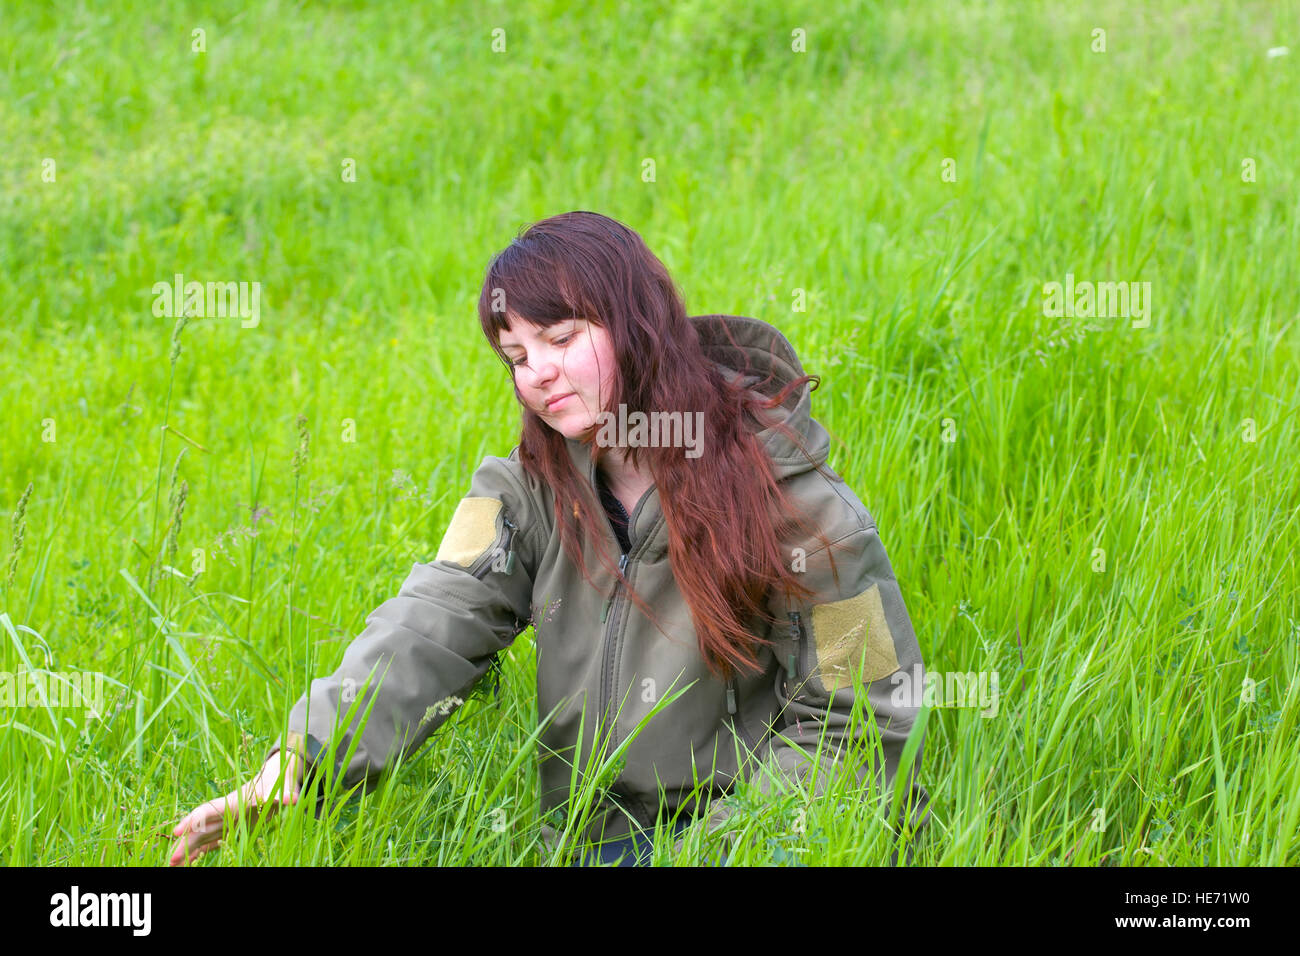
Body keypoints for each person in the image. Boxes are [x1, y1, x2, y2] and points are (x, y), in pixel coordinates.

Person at [168, 210, 931, 867]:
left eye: (561, 338)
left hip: (761, 835)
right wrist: (299, 763)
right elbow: (431, 618)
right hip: (599, 835)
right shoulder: (522, 490)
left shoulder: (807, 512)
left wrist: (730, 848)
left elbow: (866, 717)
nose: (537, 374)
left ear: (639, 324)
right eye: (518, 357)